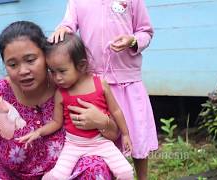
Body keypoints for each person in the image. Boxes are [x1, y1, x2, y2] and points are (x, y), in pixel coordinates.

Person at [0, 21, 121, 179]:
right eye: (13, 64)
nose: (23, 71)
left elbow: (114, 134)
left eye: (31, 60)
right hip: (8, 173)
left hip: (62, 173)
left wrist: (102, 121)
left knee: (95, 167)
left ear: (46, 57)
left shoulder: (67, 86)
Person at [50, 0, 159, 179]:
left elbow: (145, 31)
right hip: (94, 83)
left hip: (127, 82)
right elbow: (68, 24)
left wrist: (133, 40)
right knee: (105, 143)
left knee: (136, 137)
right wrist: (62, 28)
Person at [18, 33, 134, 180]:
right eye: (52, 72)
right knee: (56, 177)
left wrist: (125, 134)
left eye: (62, 71)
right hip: (73, 146)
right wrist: (38, 132)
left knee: (126, 172)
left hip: (101, 142)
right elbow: (56, 122)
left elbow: (116, 110)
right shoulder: (61, 93)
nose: (57, 77)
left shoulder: (100, 84)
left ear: (81, 65)